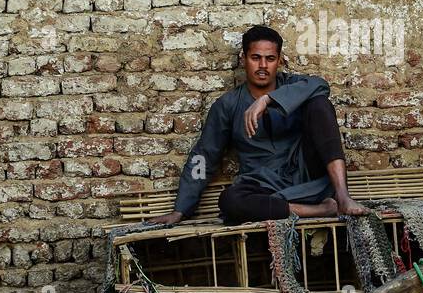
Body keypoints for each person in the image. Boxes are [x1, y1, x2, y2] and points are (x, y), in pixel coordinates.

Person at [149, 25, 367, 226]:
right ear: (243, 59)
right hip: (265, 187)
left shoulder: (293, 85)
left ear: (279, 61)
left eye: (270, 59)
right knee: (229, 201)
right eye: (256, 58)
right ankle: (320, 210)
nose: (263, 66)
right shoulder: (227, 105)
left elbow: (320, 85)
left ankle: (342, 196)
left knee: (320, 104)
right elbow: (203, 156)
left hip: (308, 176)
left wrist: (268, 100)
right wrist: (180, 209)